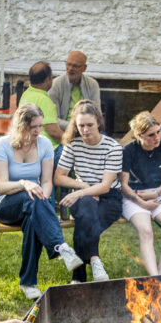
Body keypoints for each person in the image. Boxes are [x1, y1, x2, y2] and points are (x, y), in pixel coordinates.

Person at [0, 103, 83, 299]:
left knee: (33, 217)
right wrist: (24, 184)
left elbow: (47, 182)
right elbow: (1, 186)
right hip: (4, 202)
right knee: (31, 198)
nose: (38, 131)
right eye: (33, 127)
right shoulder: (3, 145)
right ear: (21, 126)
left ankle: (28, 282)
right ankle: (60, 246)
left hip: (33, 201)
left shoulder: (44, 144)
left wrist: (42, 196)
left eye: (40, 126)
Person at [54, 100, 124, 283]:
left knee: (85, 221)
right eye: (81, 125)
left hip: (110, 199)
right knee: (87, 207)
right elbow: (59, 177)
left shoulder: (113, 148)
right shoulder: (73, 145)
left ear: (98, 123)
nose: (85, 130)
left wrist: (78, 192)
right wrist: (84, 188)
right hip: (84, 197)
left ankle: (78, 276)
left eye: (89, 125)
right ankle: (95, 260)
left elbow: (105, 186)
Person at [120, 112, 161, 276]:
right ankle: (154, 276)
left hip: (158, 193)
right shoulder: (128, 150)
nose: (157, 137)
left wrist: (155, 193)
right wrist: (143, 203)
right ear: (138, 135)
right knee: (147, 231)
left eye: (159, 132)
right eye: (151, 135)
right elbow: (123, 185)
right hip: (133, 196)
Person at [48, 51, 101, 126]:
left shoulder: (92, 84)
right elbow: (53, 119)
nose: (70, 68)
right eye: (68, 64)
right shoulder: (55, 85)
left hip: (88, 129)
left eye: (75, 66)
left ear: (84, 68)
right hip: (64, 130)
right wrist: (77, 126)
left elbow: (97, 116)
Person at [18, 61, 66, 145]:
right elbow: (53, 132)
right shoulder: (44, 100)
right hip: (46, 147)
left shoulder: (26, 94)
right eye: (52, 77)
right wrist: (70, 142)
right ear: (47, 79)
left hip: (28, 143)